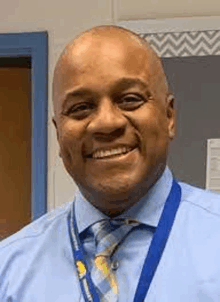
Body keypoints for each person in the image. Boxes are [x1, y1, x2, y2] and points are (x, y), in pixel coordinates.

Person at [1, 25, 220, 302]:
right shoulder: (8, 272)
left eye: (130, 99)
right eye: (80, 107)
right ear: (58, 134)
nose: (106, 123)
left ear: (169, 116)